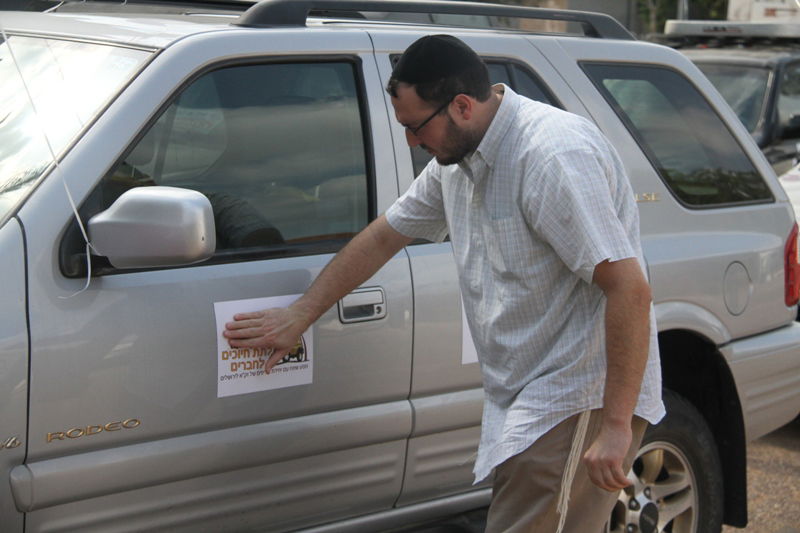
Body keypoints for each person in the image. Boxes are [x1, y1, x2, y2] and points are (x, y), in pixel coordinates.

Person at [224, 34, 665, 533]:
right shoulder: (460, 160)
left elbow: (630, 289)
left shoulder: (551, 157)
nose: (411, 142)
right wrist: (301, 313)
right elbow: (385, 236)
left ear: (461, 106)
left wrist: (614, 426)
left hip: (577, 398)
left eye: (415, 127)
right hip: (529, 398)